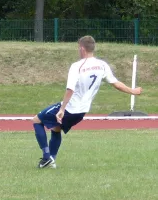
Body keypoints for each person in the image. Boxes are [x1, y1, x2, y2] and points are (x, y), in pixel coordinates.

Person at [32, 35, 142, 168]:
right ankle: (51, 161)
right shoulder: (102, 65)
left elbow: (70, 89)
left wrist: (62, 109)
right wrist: (133, 91)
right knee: (56, 128)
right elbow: (116, 84)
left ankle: (46, 158)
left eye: (79, 48)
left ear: (82, 48)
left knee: (37, 120)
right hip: (82, 111)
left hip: (70, 108)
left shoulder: (77, 66)